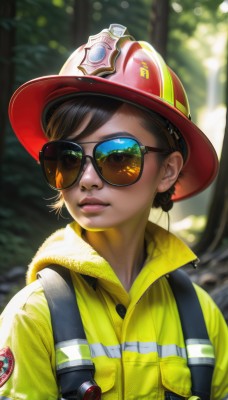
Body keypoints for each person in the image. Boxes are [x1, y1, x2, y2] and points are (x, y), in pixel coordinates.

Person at [0, 23, 228, 400]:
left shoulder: (204, 318)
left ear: (168, 170)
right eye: (67, 158)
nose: (86, 179)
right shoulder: (32, 316)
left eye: (118, 156)